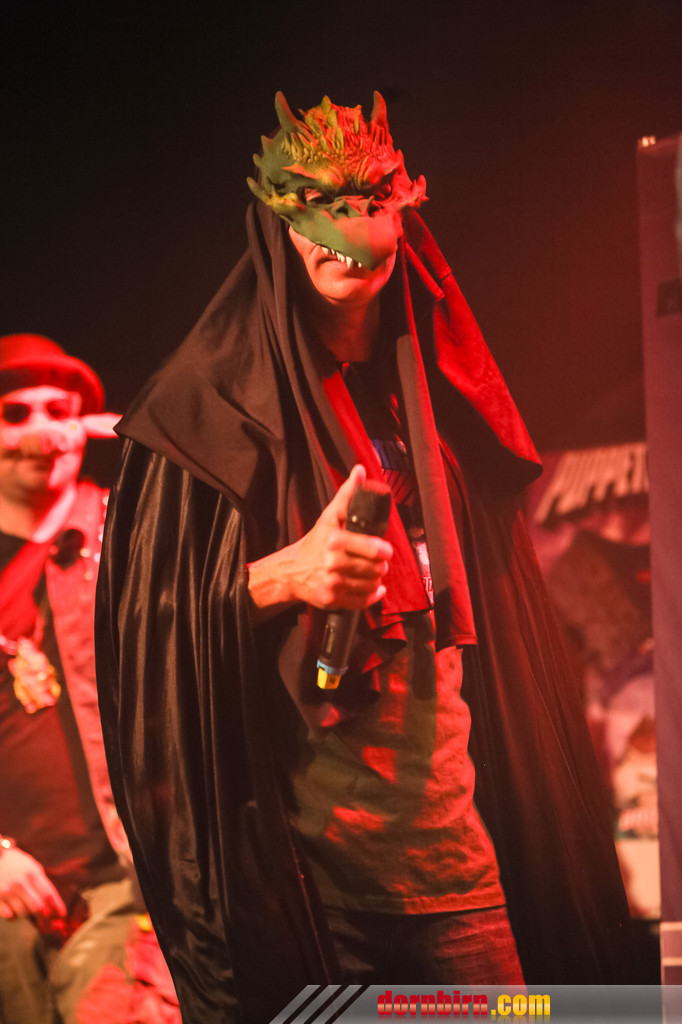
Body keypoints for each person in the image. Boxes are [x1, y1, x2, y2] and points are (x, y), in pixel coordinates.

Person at [95, 94, 632, 1023]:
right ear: (279, 221)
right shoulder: (206, 408)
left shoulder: (432, 397)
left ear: (404, 208)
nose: (346, 231)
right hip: (311, 878)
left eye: (371, 201)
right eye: (319, 205)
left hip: (455, 853)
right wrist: (286, 573)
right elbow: (141, 628)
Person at [0, 334, 180, 1024]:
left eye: (60, 411)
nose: (43, 431)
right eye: (15, 413)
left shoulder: (132, 534)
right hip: (16, 899)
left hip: (126, 890)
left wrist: (148, 443)